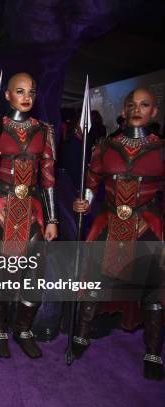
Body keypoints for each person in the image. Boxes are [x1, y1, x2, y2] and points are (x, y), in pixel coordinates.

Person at [71, 88, 163, 381]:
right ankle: (82, 335)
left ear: (154, 112)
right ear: (124, 111)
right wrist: (83, 200)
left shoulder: (161, 149)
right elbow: (92, 180)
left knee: (154, 288)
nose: (137, 109)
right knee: (93, 278)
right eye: (132, 105)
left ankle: (152, 352)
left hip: (147, 223)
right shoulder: (105, 147)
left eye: (144, 105)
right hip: (110, 221)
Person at [0, 72, 58, 359]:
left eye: (31, 92)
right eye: (19, 91)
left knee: (33, 275)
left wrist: (53, 220)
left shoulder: (44, 130)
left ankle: (23, 330)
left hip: (32, 211)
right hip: (0, 208)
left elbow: (48, 178)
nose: (26, 97)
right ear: (7, 96)